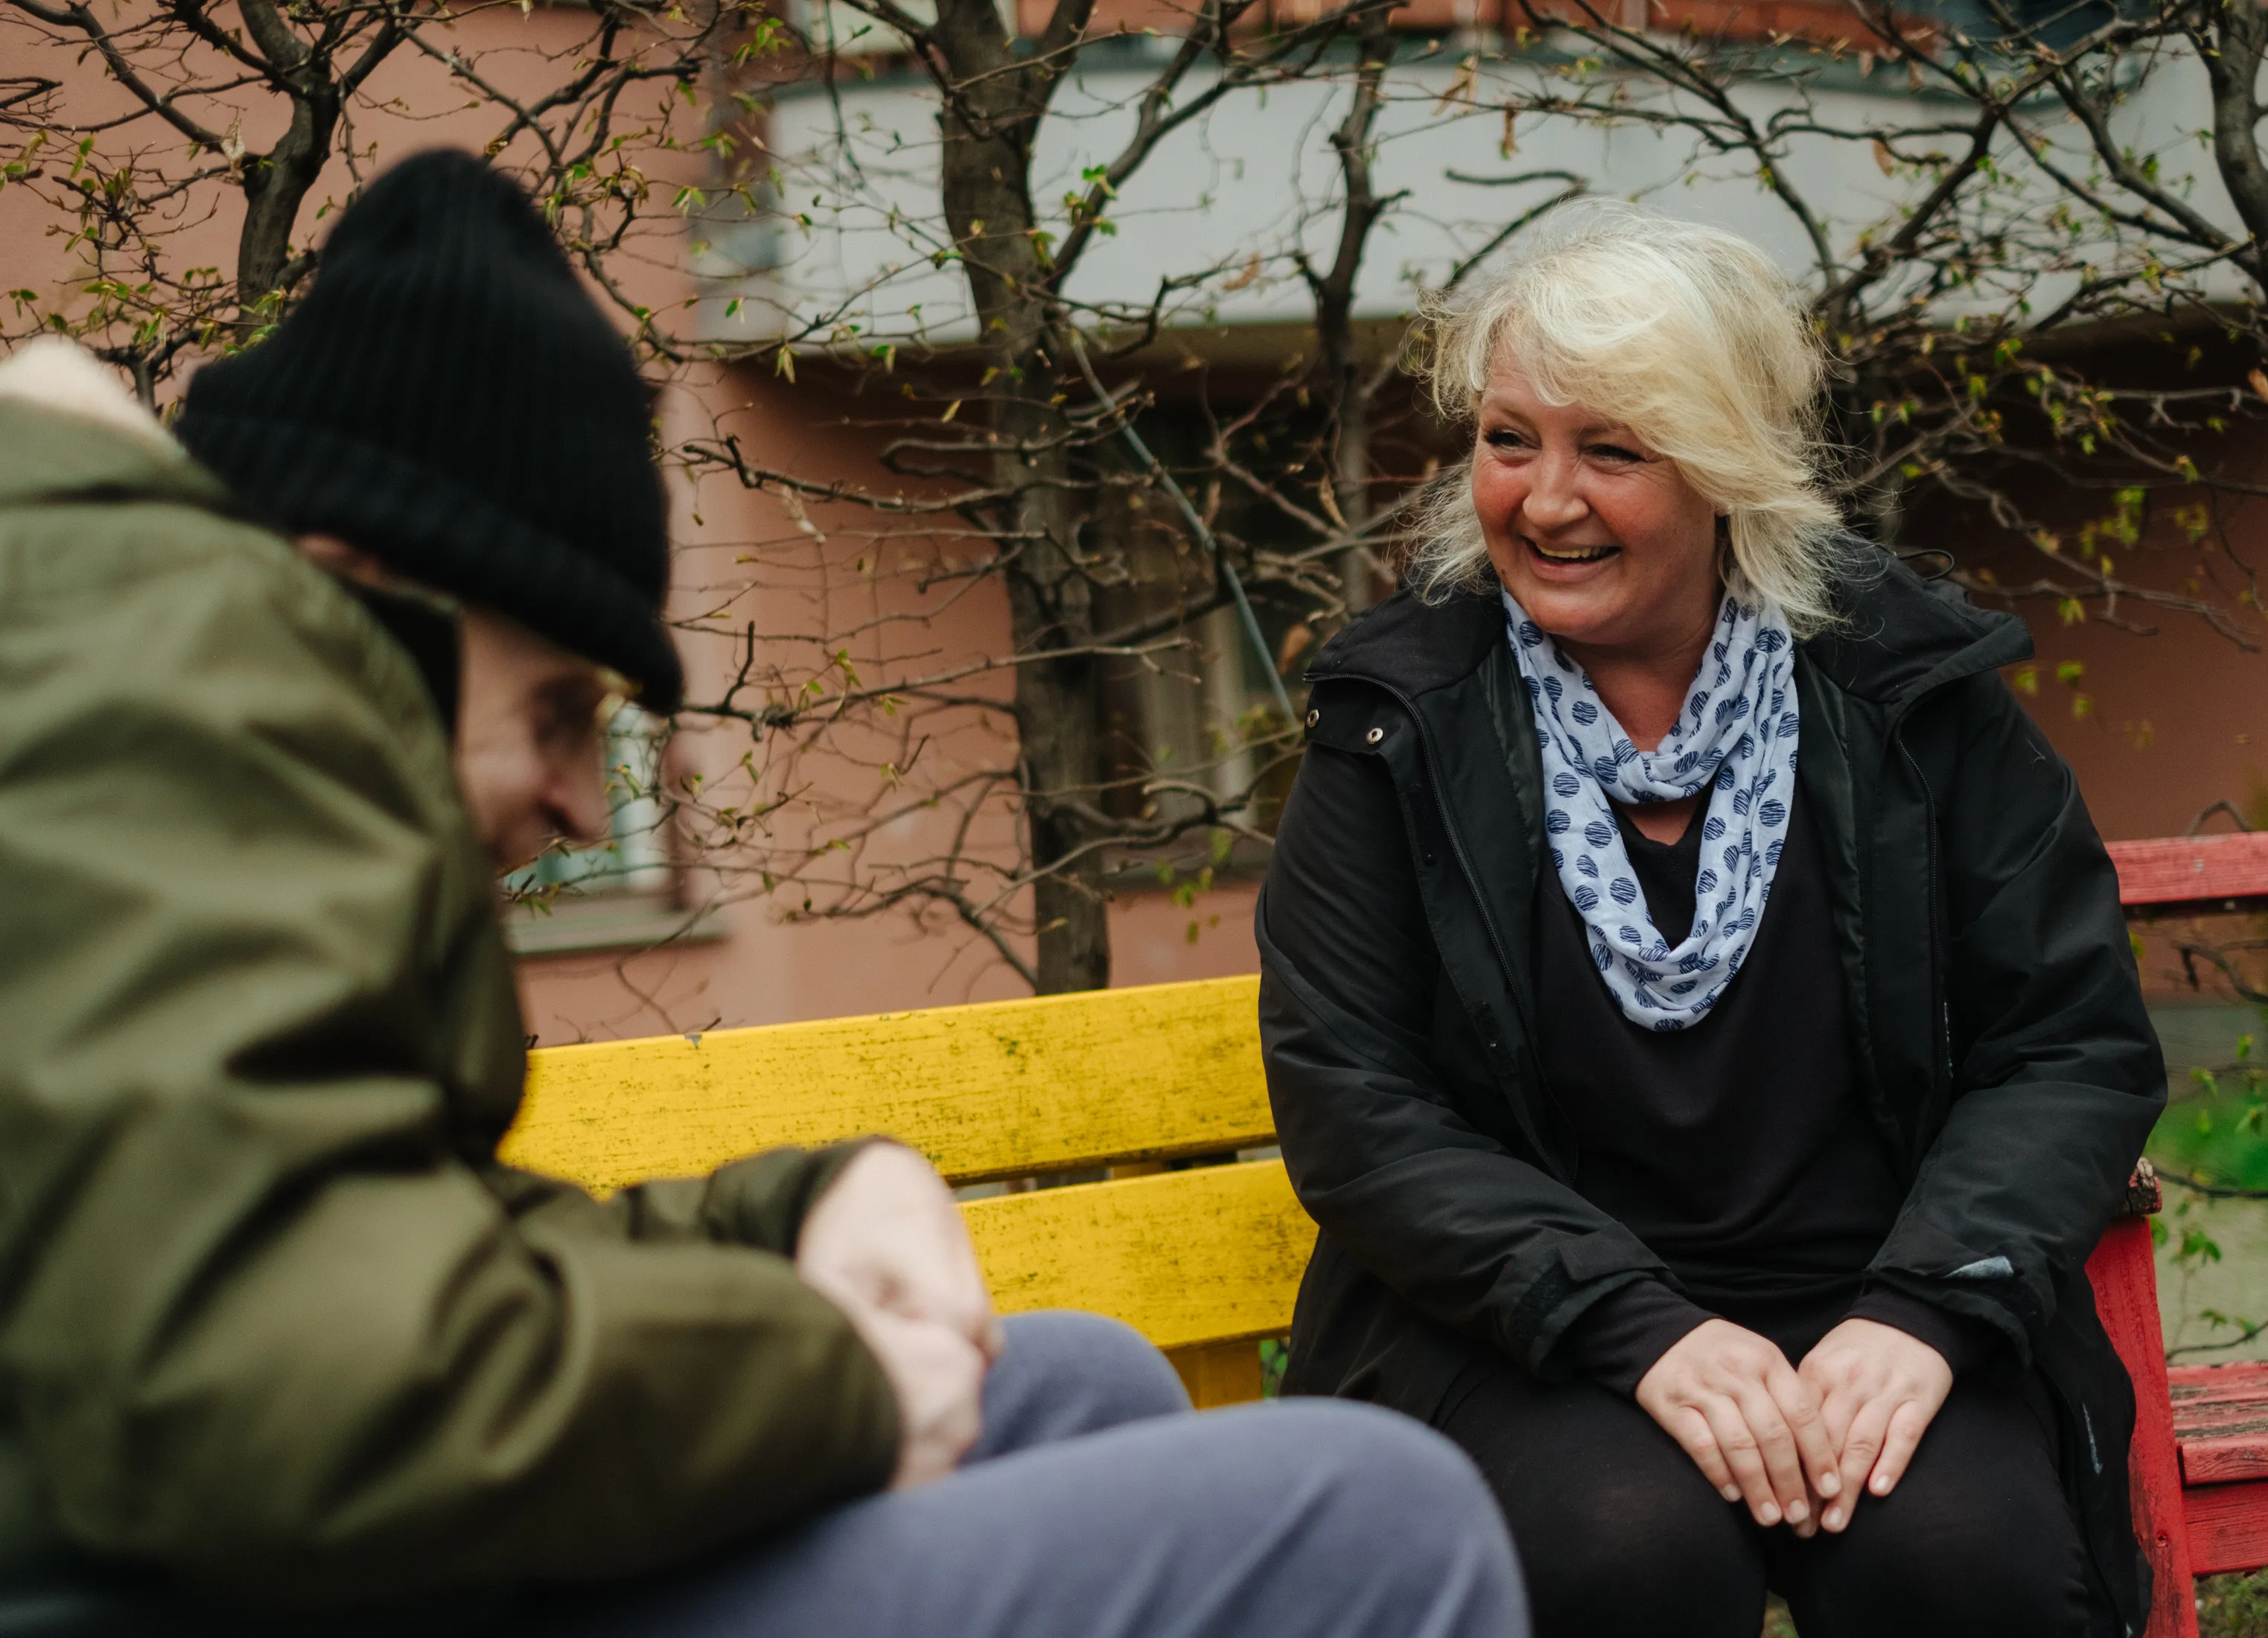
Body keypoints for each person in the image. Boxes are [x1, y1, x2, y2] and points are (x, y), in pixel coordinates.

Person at [0, 150, 1527, 1638]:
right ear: (353, 581)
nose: (584, 804)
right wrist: (831, 1374)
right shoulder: (161, 703)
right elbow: (273, 1393)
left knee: (1077, 1378)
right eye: (553, 709)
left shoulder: (158, 686)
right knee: (1377, 1513)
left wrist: (779, 1218)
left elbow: (350, 1245)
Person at [1258, 202, 2167, 1638]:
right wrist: (1637, 1331)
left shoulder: (1910, 693)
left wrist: (1926, 1315)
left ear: (1727, 470)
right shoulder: (1398, 723)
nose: (1544, 500)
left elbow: (2068, 1045)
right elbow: (1353, 1099)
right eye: (1510, 440)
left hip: (1873, 1306)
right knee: (1629, 1550)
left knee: (1964, 1568)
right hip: (1532, 1331)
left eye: (1611, 450)